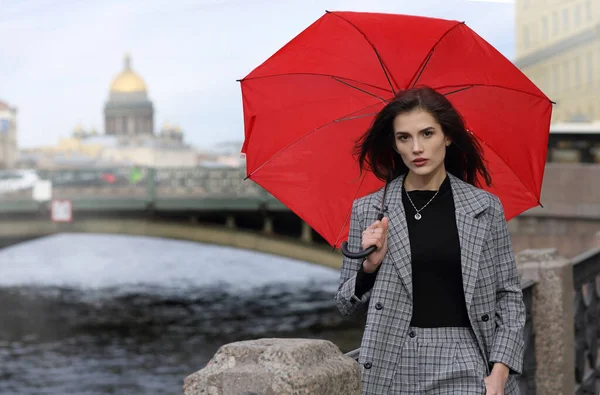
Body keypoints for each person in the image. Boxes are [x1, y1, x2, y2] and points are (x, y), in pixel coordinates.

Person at [335, 86, 526, 395]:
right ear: (395, 145)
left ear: (447, 136)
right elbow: (346, 305)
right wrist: (369, 267)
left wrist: (500, 371)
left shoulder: (483, 207)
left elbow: (508, 296)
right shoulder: (370, 210)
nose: (416, 148)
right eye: (404, 138)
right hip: (392, 364)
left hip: (466, 362)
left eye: (427, 134)